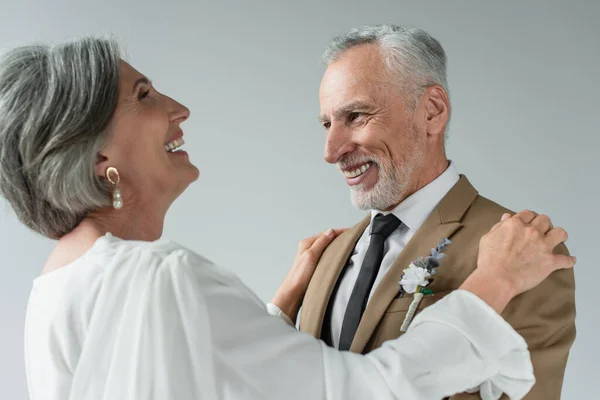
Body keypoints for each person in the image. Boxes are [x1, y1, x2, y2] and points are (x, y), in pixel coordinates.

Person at [0, 37, 574, 400]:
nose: (178, 109)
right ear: (99, 155)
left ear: (432, 110)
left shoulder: (56, 285)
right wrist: (491, 284)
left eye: (355, 116)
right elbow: (358, 391)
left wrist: (273, 314)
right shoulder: (161, 277)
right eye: (144, 95)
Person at [300, 24, 576, 399]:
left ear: (432, 111)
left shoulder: (526, 253)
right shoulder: (324, 258)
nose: (331, 151)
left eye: (356, 116)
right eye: (327, 124)